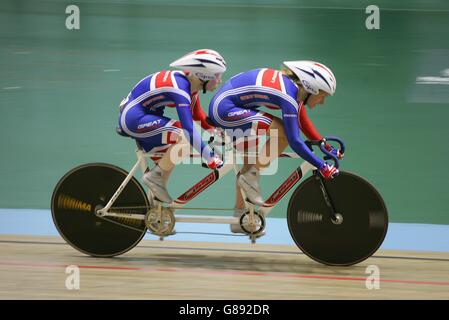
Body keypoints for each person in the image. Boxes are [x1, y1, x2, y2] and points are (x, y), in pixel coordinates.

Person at [207, 60, 344, 232]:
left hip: (231, 107)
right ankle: (251, 174)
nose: (322, 102)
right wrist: (322, 165)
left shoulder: (294, 91)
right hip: (225, 110)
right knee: (283, 135)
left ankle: (238, 219)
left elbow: (301, 119)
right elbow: (295, 140)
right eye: (323, 96)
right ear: (312, 88)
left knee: (249, 169)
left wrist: (323, 143)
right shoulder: (288, 95)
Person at [118, 49, 227, 203]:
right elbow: (188, 129)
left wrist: (215, 131)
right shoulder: (180, 89)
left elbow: (197, 115)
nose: (219, 80)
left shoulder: (190, 86)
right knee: (184, 138)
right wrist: (209, 157)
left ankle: (155, 214)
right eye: (217, 75)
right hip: (134, 119)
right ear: (203, 75)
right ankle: (153, 177)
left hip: (145, 118)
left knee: (167, 162)